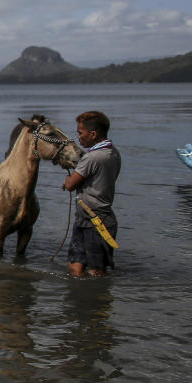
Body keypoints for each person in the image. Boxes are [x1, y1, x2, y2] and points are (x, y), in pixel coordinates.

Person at [62, 111, 121, 276]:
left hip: (96, 221)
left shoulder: (91, 158)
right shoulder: (113, 152)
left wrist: (68, 178)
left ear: (93, 134)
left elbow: (70, 185)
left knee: (95, 271)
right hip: (89, 218)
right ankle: (89, 299)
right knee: (78, 266)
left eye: (81, 133)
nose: (78, 137)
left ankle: (95, 299)